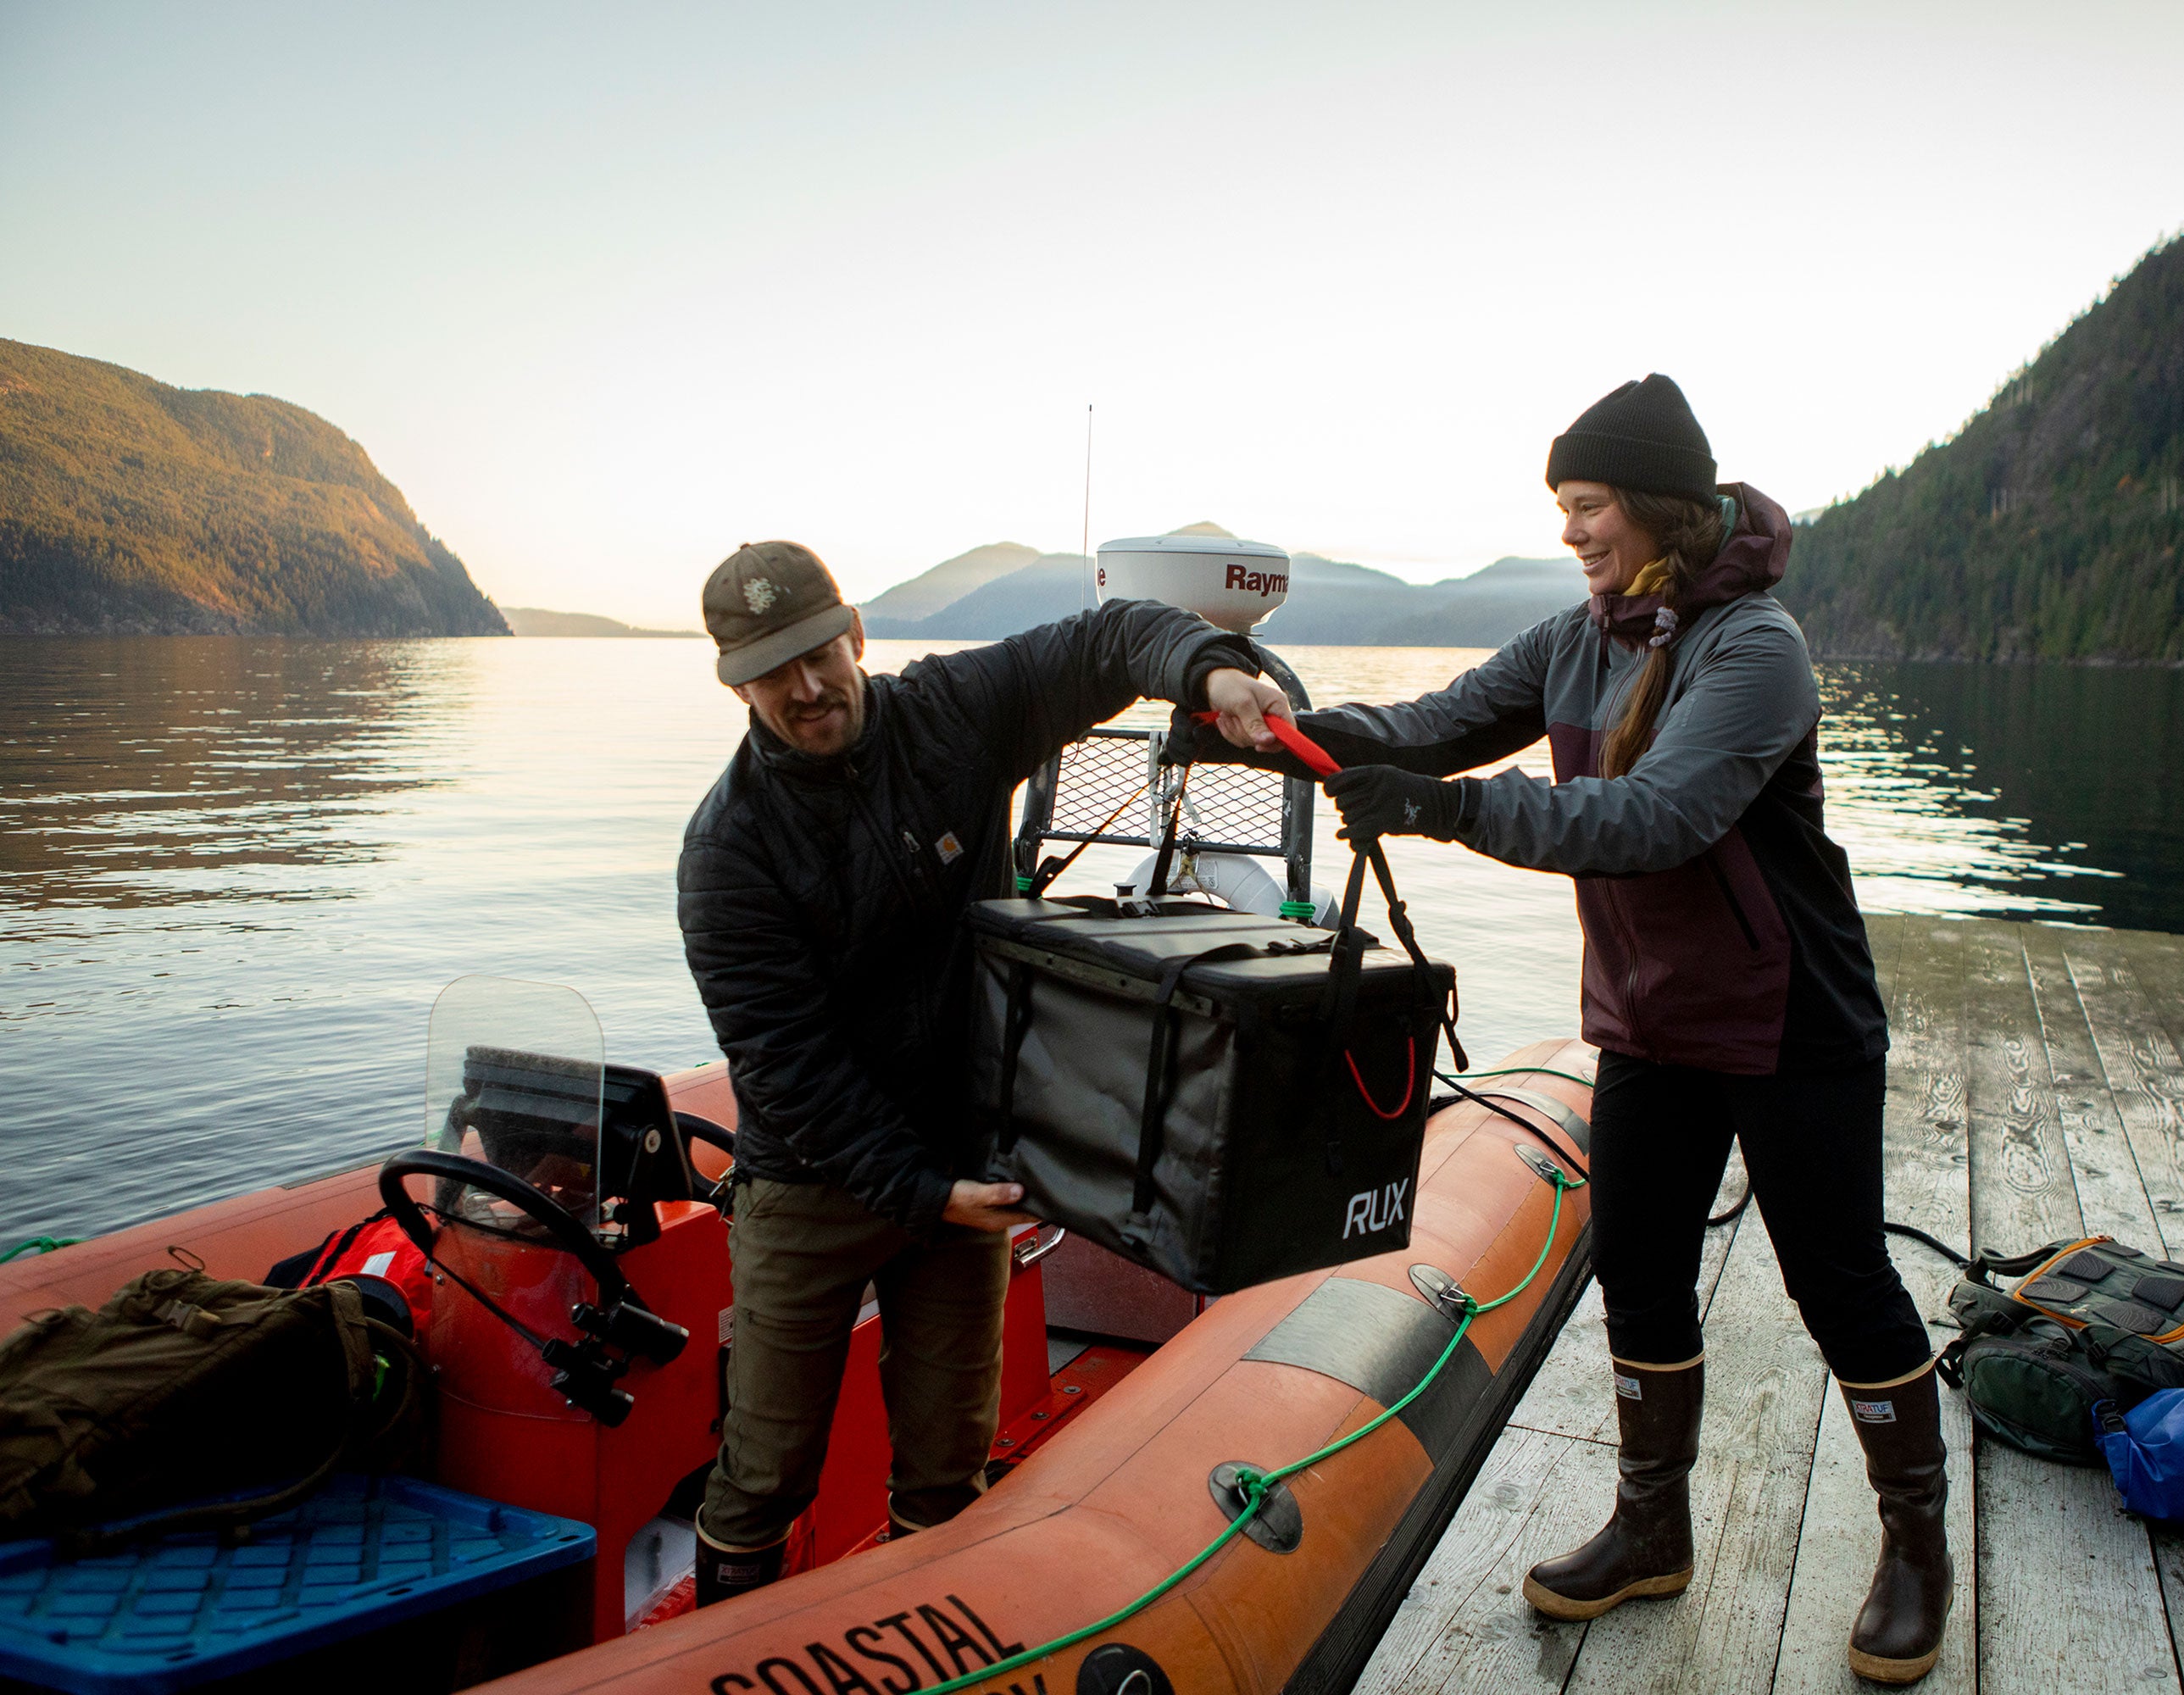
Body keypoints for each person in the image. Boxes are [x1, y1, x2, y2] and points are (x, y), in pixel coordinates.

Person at [1181, 376, 1948, 1684]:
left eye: (1587, 506)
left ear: (1655, 507)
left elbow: (1652, 822)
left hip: (1792, 1027)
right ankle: (1653, 1528)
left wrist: (1445, 811)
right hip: (1651, 1024)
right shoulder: (1576, 636)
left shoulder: (1756, 648)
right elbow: (1429, 729)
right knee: (1640, 1273)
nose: (1572, 532)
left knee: (1843, 1287)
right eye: (1562, 508)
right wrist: (1279, 737)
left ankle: (1915, 1549)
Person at [677, 540, 1287, 1604]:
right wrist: (918, 1189)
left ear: (855, 632)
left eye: (820, 651)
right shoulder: (728, 848)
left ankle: (930, 1632)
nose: (807, 686)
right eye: (772, 669)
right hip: (813, 1179)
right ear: (735, 680)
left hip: (965, 1155)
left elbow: (1103, 639)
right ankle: (725, 1638)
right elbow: (785, 1063)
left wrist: (1207, 667)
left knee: (948, 1463)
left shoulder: (952, 708)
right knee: (764, 1469)